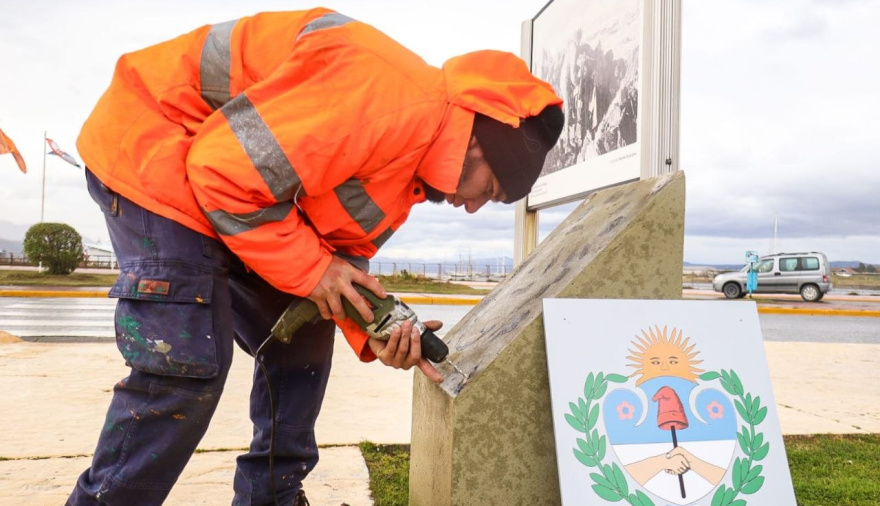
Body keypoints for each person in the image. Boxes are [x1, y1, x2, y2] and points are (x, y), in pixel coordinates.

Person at [67, 8, 563, 506]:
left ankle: (271, 498)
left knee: (303, 334)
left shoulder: (406, 178)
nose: (473, 207)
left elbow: (333, 264)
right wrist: (318, 272)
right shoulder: (385, 94)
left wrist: (374, 330)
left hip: (221, 186)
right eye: (489, 191)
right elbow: (221, 171)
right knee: (187, 361)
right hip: (158, 140)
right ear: (477, 142)